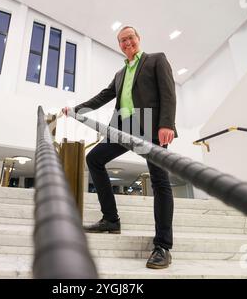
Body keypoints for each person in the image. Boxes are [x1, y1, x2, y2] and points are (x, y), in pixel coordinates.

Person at [62, 26, 177, 269]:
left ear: (138, 39)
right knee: (94, 159)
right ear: (119, 45)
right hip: (123, 128)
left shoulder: (156, 60)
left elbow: (168, 93)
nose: (127, 43)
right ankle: (111, 220)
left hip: (150, 126)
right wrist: (75, 110)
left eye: (130, 38)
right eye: (122, 40)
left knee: (159, 181)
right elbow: (102, 97)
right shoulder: (120, 74)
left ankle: (163, 246)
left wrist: (167, 124)